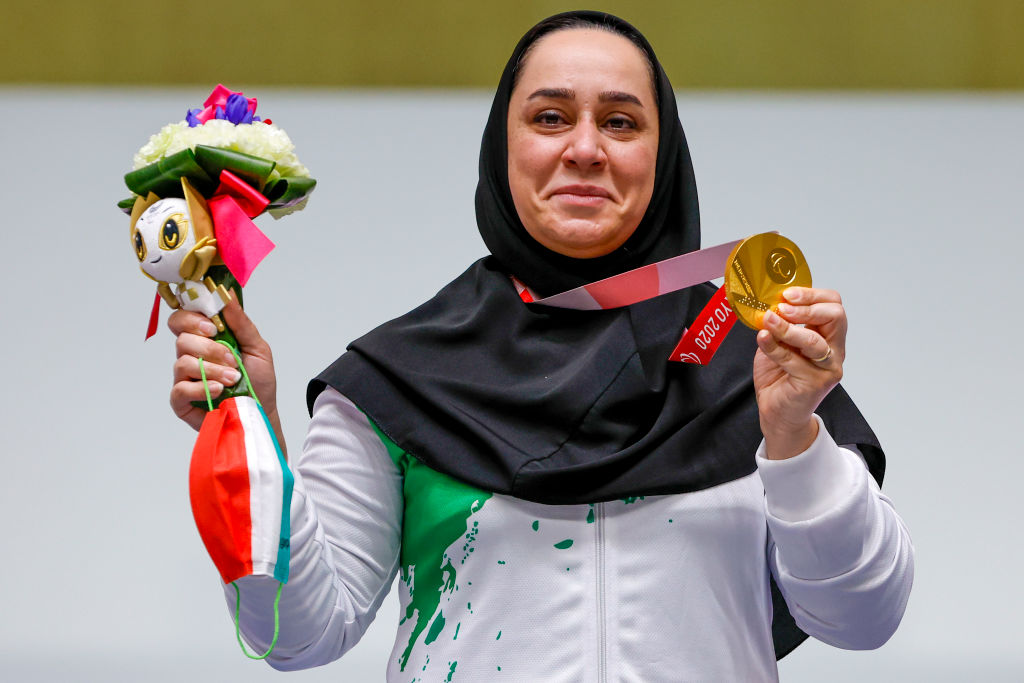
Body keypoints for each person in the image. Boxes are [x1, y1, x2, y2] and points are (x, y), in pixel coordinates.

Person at [168, 11, 913, 681]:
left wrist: (793, 437)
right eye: (551, 117)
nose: (585, 148)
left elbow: (862, 618)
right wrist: (250, 434)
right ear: (504, 145)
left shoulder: (755, 367)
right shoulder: (398, 379)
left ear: (664, 152)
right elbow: (298, 633)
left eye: (621, 123)